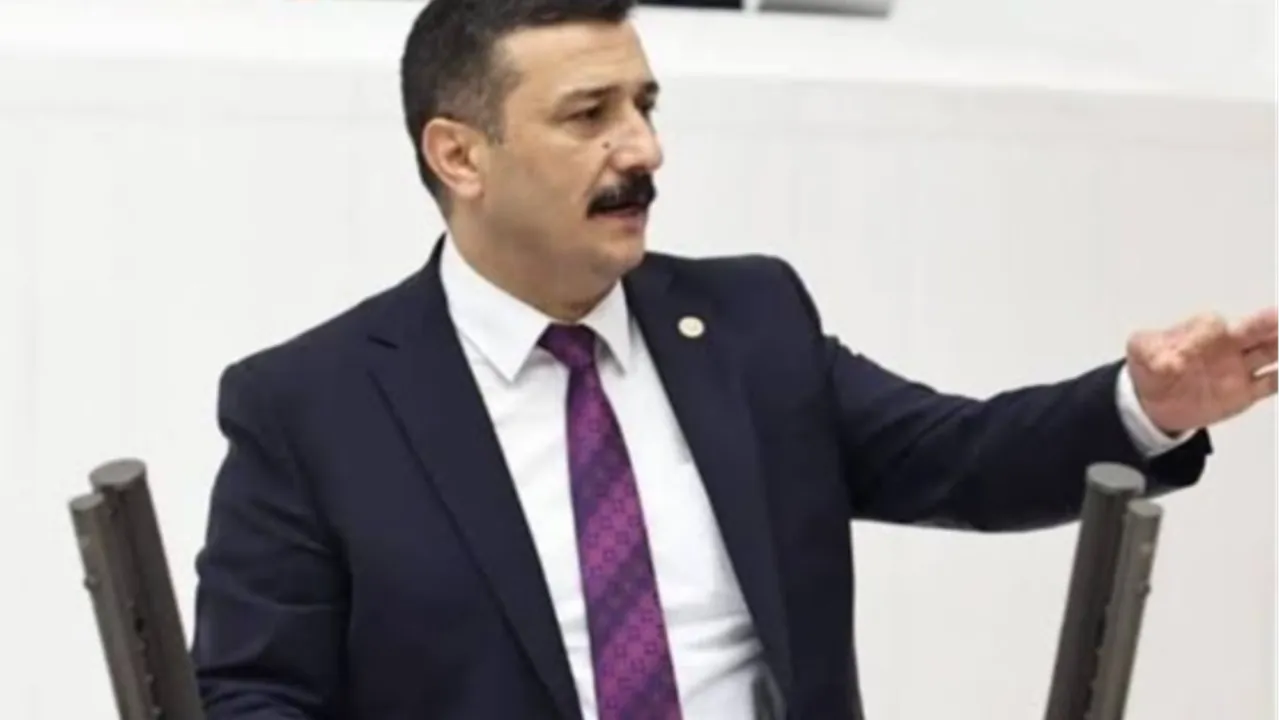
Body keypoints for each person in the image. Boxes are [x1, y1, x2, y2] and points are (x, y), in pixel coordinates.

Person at [187, 0, 1279, 717]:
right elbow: (253, 697)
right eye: (589, 114)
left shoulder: (750, 325)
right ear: (459, 155)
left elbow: (965, 459)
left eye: (644, 106)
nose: (643, 149)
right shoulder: (313, 405)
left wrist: (1146, 404)